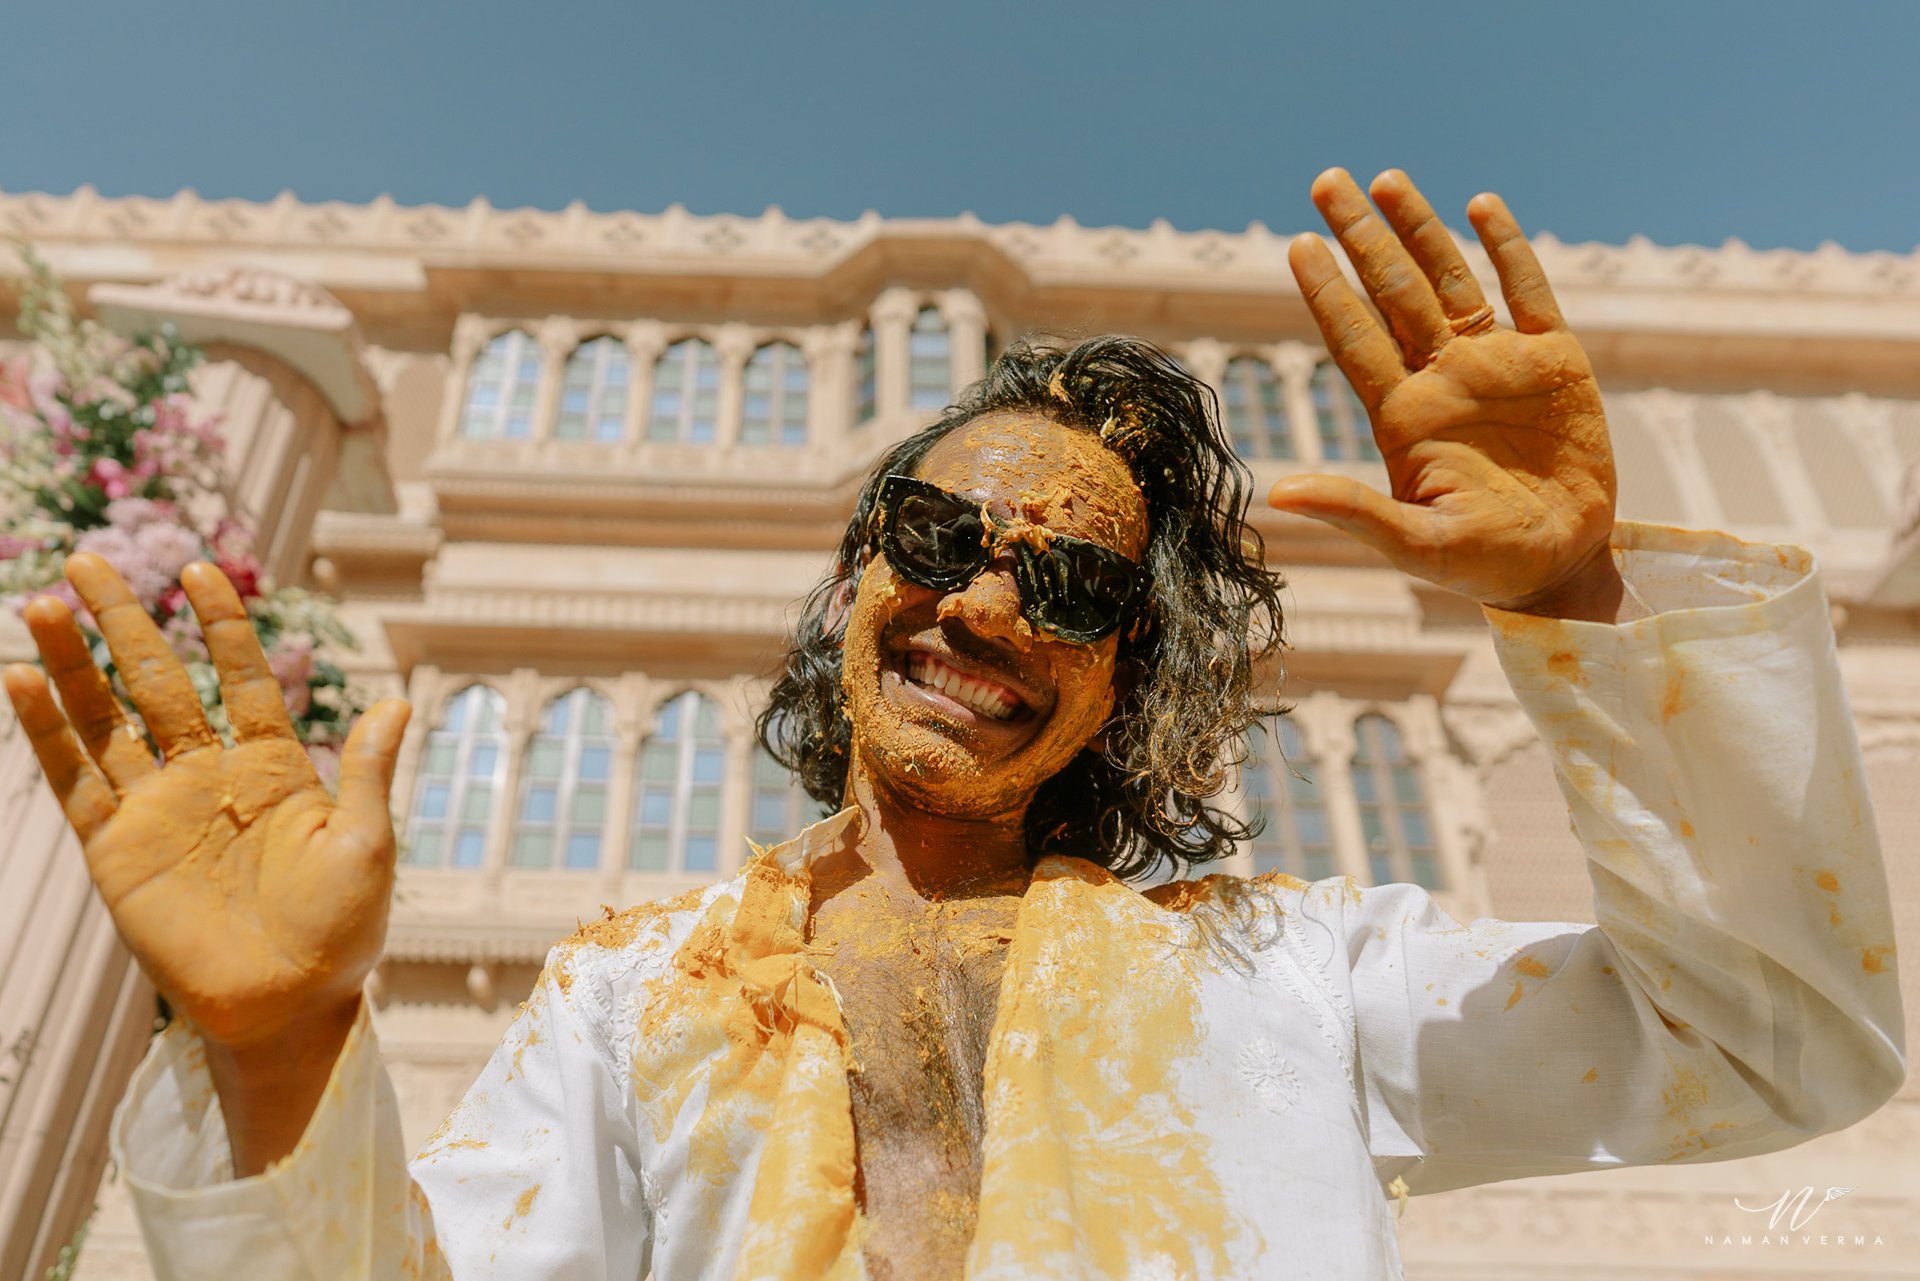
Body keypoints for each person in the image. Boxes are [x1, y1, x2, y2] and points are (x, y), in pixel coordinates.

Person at [5, 169, 1904, 1280]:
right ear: (853, 580)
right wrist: (272, 1048)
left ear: (1121, 676)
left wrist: (1574, 600)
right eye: (938, 536)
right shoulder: (630, 995)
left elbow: (1768, 1040)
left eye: (1075, 586)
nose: (991, 602)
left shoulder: (1292, 975)